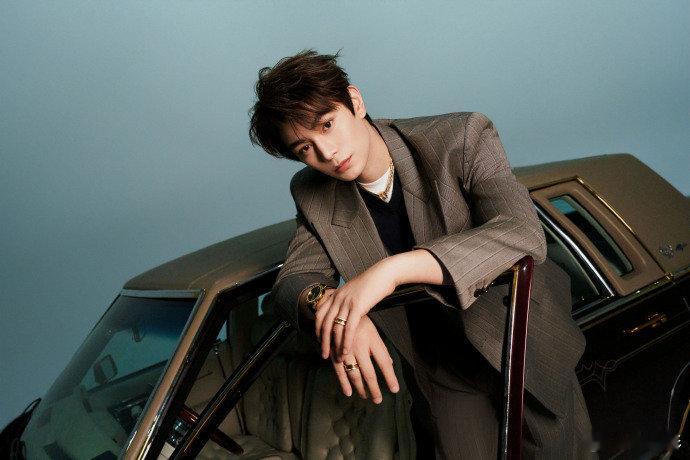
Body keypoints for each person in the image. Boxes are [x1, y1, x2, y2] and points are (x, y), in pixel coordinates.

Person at [248, 49, 593, 459]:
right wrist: (336, 310)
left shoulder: (461, 137)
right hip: (441, 367)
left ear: (354, 101)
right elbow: (291, 282)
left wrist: (390, 272)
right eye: (304, 148)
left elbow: (521, 232)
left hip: (522, 342)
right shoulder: (311, 191)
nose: (326, 153)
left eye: (327, 124)